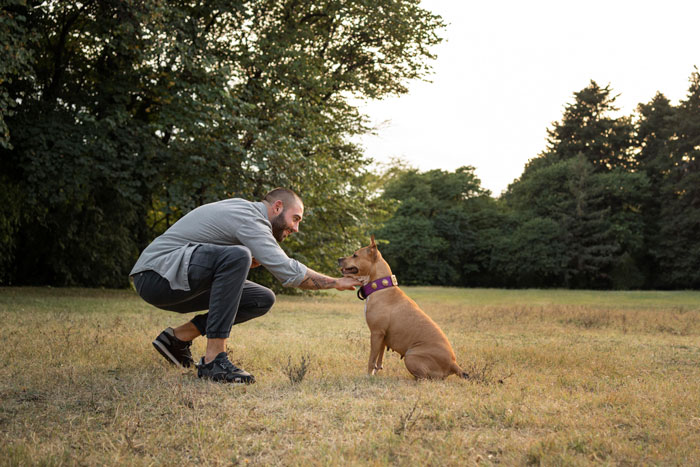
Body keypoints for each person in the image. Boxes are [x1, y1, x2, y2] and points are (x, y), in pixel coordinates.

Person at [130, 188, 361, 384]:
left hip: (177, 281)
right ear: (278, 207)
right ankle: (214, 361)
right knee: (238, 255)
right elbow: (287, 270)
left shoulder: (246, 216)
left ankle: (177, 339)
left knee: (262, 298)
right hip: (154, 276)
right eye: (296, 218)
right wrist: (335, 282)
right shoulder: (250, 217)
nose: (296, 228)